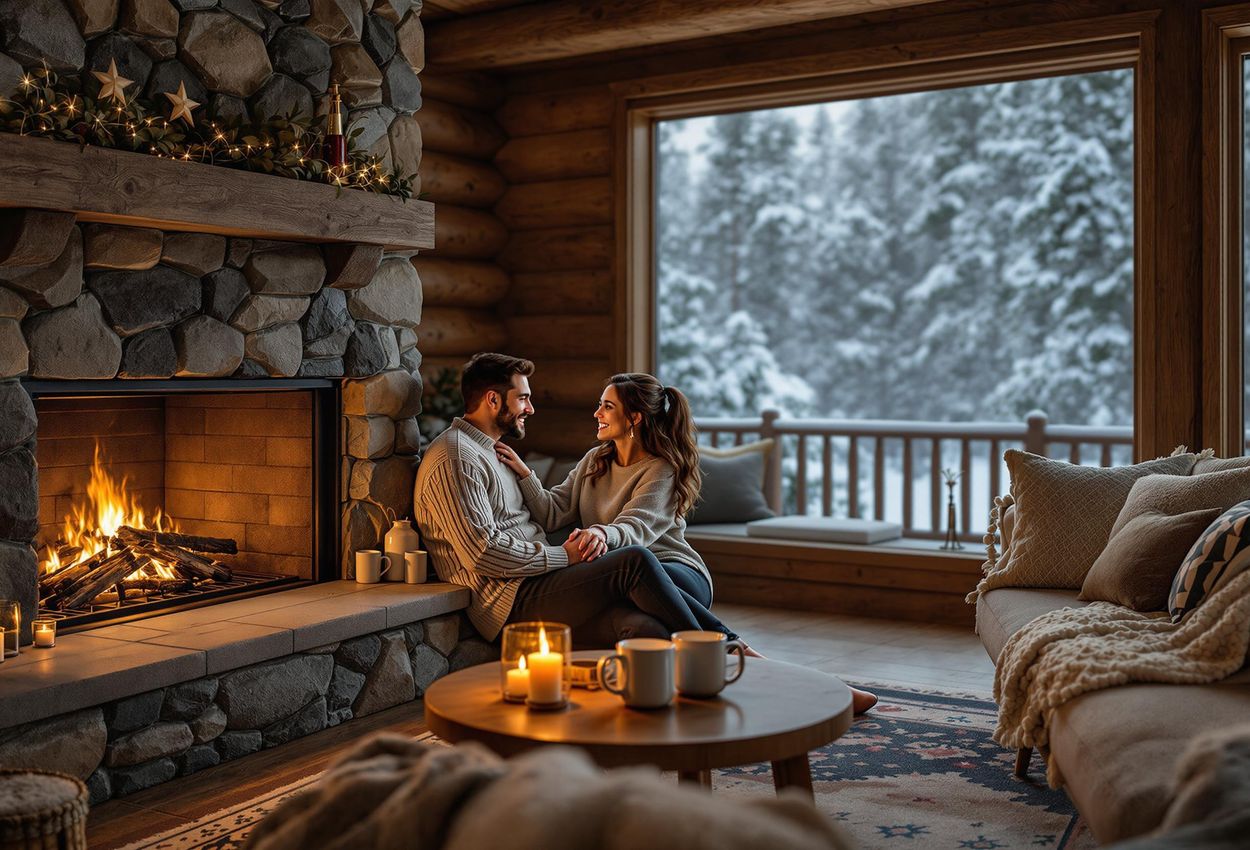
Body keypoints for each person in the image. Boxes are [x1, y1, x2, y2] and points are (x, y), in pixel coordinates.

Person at [493, 371, 878, 715]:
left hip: (675, 572)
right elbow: (551, 513)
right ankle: (735, 669)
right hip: (628, 574)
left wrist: (600, 533)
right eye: (599, 405)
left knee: (636, 561)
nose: (597, 413)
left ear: (635, 417)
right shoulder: (596, 460)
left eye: (607, 406)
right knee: (640, 619)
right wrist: (524, 474)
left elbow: (636, 527)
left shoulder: (661, 468)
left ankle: (743, 660)